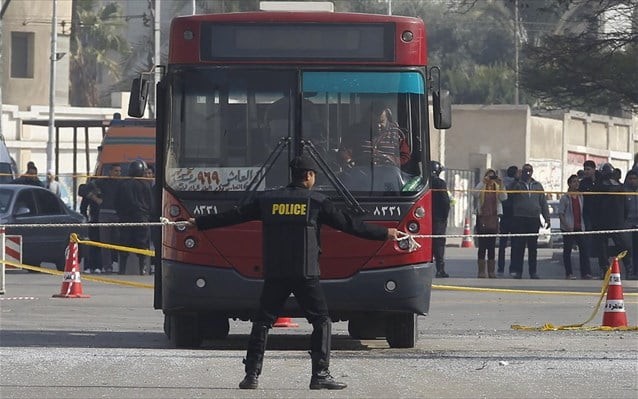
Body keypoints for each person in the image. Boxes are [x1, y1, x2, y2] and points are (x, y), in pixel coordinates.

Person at [187, 155, 397, 390]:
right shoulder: (317, 202)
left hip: (276, 273)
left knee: (263, 321)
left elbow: (233, 216)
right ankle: (320, 374)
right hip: (305, 273)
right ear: (309, 176)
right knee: (321, 321)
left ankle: (251, 375)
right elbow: (351, 226)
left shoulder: (268, 201)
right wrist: (384, 234)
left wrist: (199, 222)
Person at [508, 164, 550, 279]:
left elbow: (543, 202)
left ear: (532, 172)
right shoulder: (517, 185)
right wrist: (516, 180)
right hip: (520, 218)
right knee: (519, 246)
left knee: (533, 247)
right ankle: (517, 271)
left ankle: (533, 271)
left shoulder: (537, 186)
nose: (527, 173)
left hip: (533, 218)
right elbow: (508, 194)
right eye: (525, 171)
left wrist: (547, 218)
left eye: (529, 171)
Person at [115, 160, 153, 275]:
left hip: (125, 219)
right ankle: (143, 269)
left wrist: (121, 214)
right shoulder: (144, 184)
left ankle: (122, 269)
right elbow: (151, 203)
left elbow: (116, 203)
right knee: (142, 244)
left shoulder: (122, 184)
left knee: (124, 244)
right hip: (141, 219)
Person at [595, 163, 633, 279]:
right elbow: (627, 206)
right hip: (618, 222)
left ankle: (605, 269)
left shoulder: (599, 187)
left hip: (603, 222)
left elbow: (594, 207)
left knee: (603, 247)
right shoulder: (620, 187)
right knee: (622, 246)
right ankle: (628, 268)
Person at [339, 107, 410, 168]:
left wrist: (390, 159)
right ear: (367, 120)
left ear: (387, 120)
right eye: (374, 122)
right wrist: (348, 160)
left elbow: (405, 156)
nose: (378, 125)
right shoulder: (356, 134)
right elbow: (344, 150)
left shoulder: (396, 134)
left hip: (388, 176)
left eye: (381, 122)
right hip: (361, 174)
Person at [473, 169, 507, 278]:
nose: (490, 179)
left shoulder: (497, 186)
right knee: (482, 246)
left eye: (492, 177)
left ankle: (491, 271)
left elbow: (504, 197)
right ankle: (481, 271)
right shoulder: (482, 185)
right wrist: (483, 182)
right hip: (482, 217)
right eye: (489, 176)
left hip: (493, 218)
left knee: (491, 246)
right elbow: (475, 194)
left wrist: (501, 185)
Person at [558, 175, 592, 280]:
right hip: (568, 227)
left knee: (584, 250)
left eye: (577, 182)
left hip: (579, 226)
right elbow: (561, 213)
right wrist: (566, 225)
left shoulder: (581, 196)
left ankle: (585, 273)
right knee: (567, 250)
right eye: (574, 182)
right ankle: (569, 273)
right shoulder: (565, 197)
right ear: (569, 184)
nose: (576, 184)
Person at [94, 164, 122, 274]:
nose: (118, 173)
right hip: (105, 214)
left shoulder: (122, 184)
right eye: (116, 171)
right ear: (110, 172)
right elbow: (83, 189)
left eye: (119, 171)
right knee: (105, 242)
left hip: (118, 215)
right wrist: (96, 198)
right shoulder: (103, 182)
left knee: (118, 240)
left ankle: (118, 264)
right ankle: (107, 266)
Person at [431, 160, 450, 278]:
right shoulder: (439, 183)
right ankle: (440, 269)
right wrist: (444, 216)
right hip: (438, 219)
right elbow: (445, 201)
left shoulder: (422, 182)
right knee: (438, 244)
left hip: (425, 218)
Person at [497, 165, 518, 277]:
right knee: (514, 245)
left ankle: (500, 268)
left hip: (504, 216)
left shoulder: (501, 183)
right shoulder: (517, 184)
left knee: (502, 245)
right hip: (513, 216)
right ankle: (512, 269)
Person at [79, 181, 102, 274]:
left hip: (98, 221)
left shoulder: (99, 197)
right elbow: (83, 209)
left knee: (98, 244)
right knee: (89, 245)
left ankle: (98, 266)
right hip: (90, 222)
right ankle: (88, 266)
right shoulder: (87, 198)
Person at [624, 170, 638, 280]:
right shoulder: (623, 191)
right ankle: (629, 270)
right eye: (631, 178)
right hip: (627, 223)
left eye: (635, 178)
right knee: (628, 248)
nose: (633, 181)